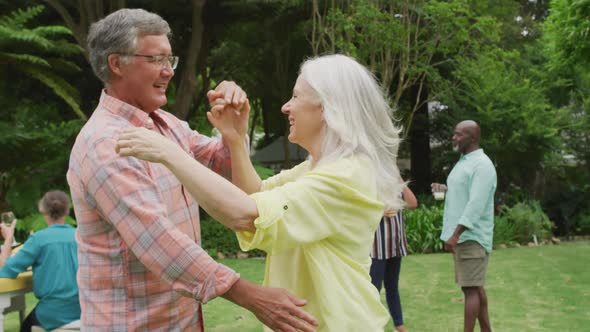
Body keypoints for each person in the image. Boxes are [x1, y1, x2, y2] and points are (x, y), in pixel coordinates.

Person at [67, 8, 316, 332]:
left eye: (171, 60)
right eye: (156, 59)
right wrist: (250, 295)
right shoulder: (106, 145)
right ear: (116, 64)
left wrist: (234, 134)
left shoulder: (165, 125)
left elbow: (220, 164)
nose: (168, 71)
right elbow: (157, 240)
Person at [116, 54, 405, 331]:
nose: (285, 107)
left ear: (328, 107)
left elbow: (246, 215)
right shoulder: (316, 169)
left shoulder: (346, 175)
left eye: (296, 96)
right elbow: (254, 195)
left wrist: (171, 154)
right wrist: (235, 139)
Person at [431, 120, 497, 332]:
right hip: (463, 237)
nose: (454, 138)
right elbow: (465, 193)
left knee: (470, 290)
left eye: (459, 135)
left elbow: (475, 205)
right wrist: (446, 190)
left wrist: (455, 235)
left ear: (473, 138)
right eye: (454, 133)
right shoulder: (464, 161)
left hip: (471, 237)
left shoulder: (482, 165)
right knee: (475, 287)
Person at [0, 191, 80, 332]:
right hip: (83, 309)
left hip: (53, 313)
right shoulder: (80, 236)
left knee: (25, 326)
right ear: (67, 210)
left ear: (43, 210)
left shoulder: (38, 239)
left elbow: (5, 270)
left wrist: (8, 237)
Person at [370, 183, 417, 332]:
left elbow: (412, 203)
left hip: (394, 245)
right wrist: (379, 211)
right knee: (373, 290)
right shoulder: (369, 180)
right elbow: (356, 209)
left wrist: (399, 179)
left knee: (392, 287)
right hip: (377, 246)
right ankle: (371, 325)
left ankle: (399, 325)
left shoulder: (395, 184)